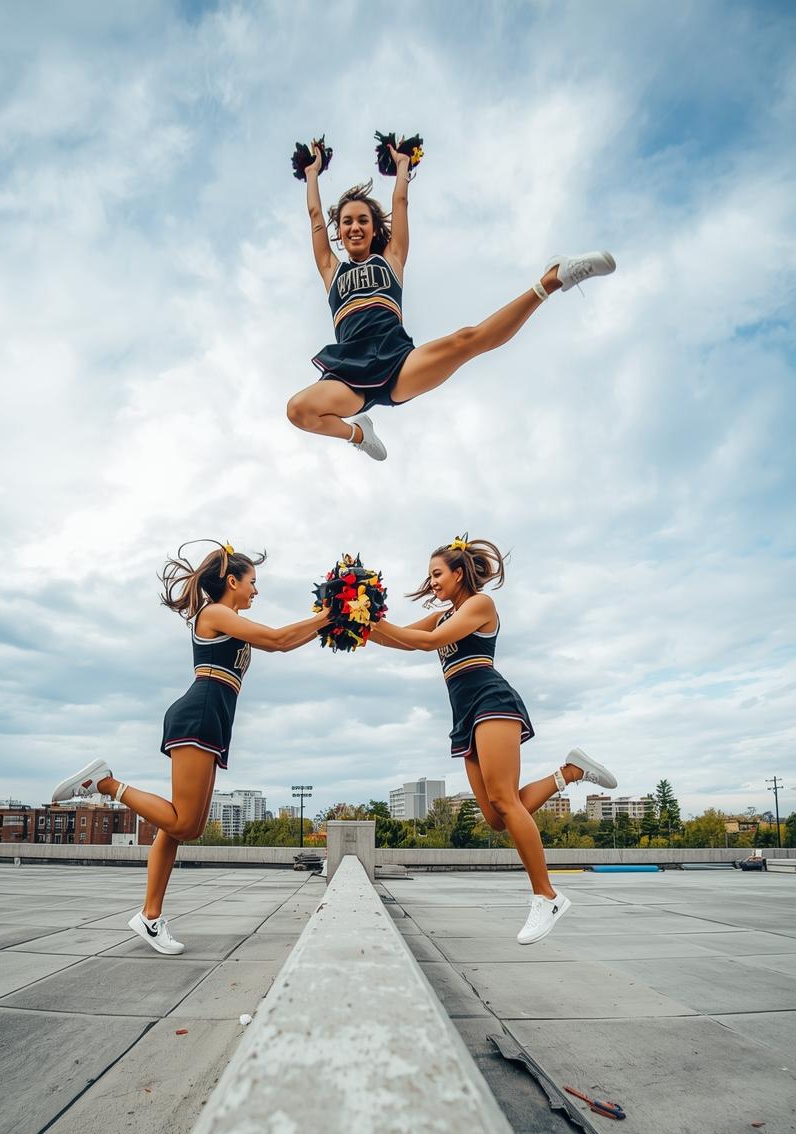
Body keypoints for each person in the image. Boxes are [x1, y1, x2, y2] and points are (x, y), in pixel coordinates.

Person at [52, 543, 328, 954]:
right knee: (182, 824)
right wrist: (329, 615)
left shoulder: (228, 617)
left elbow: (285, 640)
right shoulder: (215, 613)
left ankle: (149, 917)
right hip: (198, 715)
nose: (256, 590)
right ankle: (106, 784)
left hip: (211, 719)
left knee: (185, 828)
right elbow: (277, 641)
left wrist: (328, 623)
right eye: (253, 582)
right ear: (231, 582)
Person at [287, 142, 615, 461]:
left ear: (374, 229)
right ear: (339, 231)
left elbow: (399, 202)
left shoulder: (392, 259)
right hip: (348, 375)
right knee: (298, 410)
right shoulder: (331, 270)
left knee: (467, 340)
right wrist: (312, 173)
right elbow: (315, 215)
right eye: (347, 221)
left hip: (396, 362)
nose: (355, 226)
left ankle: (554, 278)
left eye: (362, 220)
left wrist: (403, 165)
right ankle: (360, 435)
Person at [369, 537, 617, 944]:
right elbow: (396, 638)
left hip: (491, 701)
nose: (431, 582)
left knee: (504, 799)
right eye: (429, 576)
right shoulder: (444, 615)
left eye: (437, 574)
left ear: (459, 572)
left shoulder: (479, 605)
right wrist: (353, 619)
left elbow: (427, 642)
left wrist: (370, 620)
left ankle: (546, 896)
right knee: (498, 818)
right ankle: (571, 772)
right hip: (464, 715)